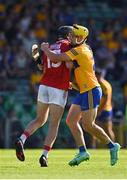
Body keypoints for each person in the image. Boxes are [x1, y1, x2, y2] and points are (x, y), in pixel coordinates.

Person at [41, 24, 121, 166]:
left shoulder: (78, 50)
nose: (71, 37)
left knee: (88, 125)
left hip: (91, 90)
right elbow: (73, 67)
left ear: (82, 38)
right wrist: (75, 85)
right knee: (71, 120)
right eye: (71, 35)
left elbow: (56, 57)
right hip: (83, 90)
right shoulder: (84, 48)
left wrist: (45, 49)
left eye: (75, 36)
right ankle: (83, 151)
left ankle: (112, 145)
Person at [15, 26, 73, 167]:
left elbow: (42, 67)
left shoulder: (50, 46)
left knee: (39, 119)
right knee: (54, 125)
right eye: (72, 34)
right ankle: (44, 156)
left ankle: (22, 139)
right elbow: (69, 65)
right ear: (68, 35)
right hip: (58, 88)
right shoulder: (68, 46)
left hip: (44, 86)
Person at [92, 68, 115, 148]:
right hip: (102, 109)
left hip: (105, 110)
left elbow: (105, 99)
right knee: (94, 129)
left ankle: (112, 145)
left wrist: (99, 110)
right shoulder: (103, 83)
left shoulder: (104, 85)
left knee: (107, 129)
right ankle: (94, 146)